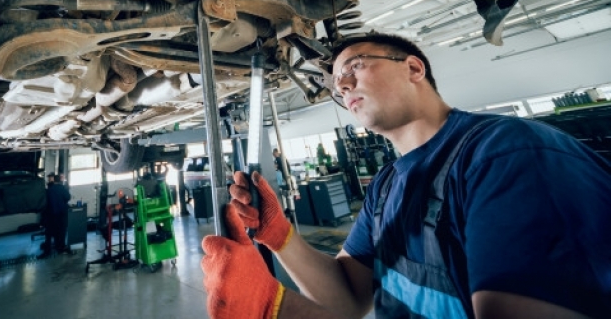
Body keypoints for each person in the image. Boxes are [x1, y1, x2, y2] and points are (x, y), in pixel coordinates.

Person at [201, 32, 611, 318]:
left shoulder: (505, 153)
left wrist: (275, 310)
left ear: (414, 68)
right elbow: (347, 299)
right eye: (337, 85)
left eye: (355, 67)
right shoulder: (386, 185)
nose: (342, 86)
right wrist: (280, 238)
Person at [39, 173, 73, 257]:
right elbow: (68, 197)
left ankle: (47, 251)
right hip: (61, 214)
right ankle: (60, 248)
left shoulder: (48, 190)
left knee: (49, 233)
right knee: (61, 232)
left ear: (53, 180)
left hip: (51, 215)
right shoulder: (62, 188)